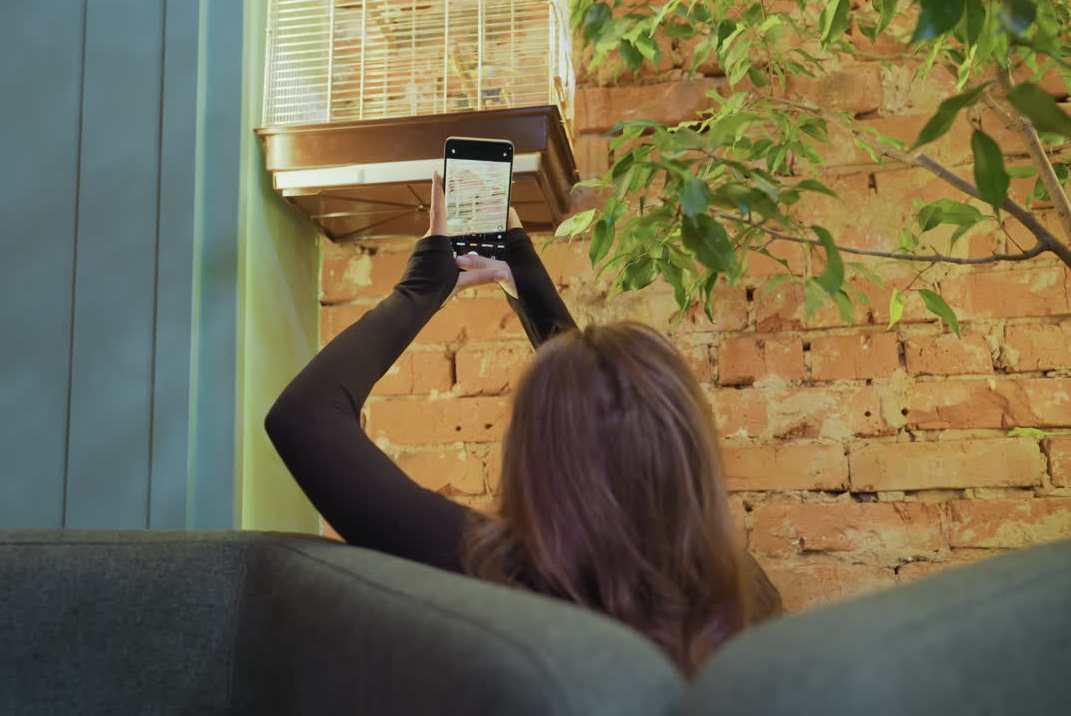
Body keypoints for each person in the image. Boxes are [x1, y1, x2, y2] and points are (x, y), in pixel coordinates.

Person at [265, 173, 783, 679]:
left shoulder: (499, 570)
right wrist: (528, 282)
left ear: (534, 452)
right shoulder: (740, 592)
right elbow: (604, 417)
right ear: (686, 444)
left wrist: (420, 289)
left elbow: (304, 417)